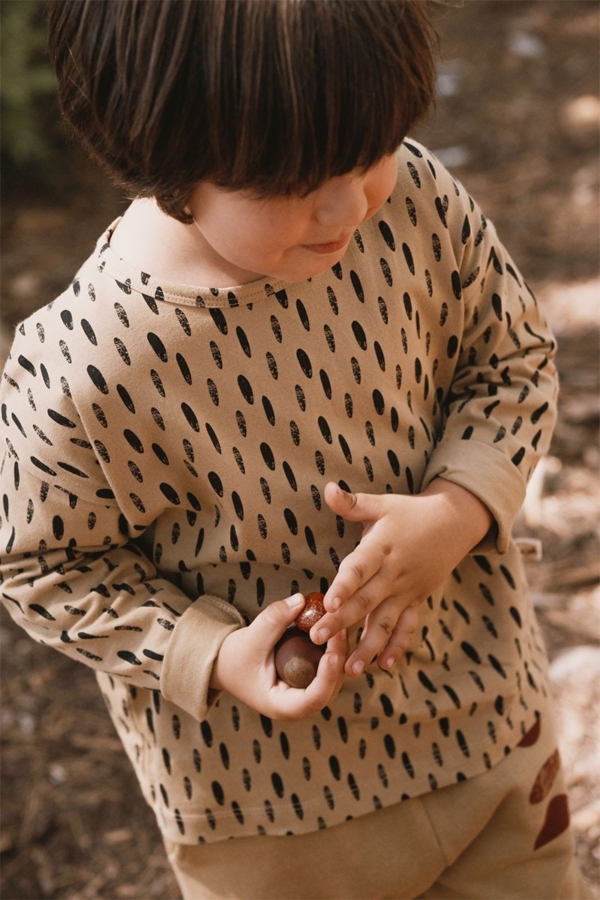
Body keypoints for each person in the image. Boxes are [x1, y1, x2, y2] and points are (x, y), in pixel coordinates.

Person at [0, 1, 591, 898]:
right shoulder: (88, 368)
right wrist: (209, 654)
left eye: (369, 152)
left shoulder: (417, 204)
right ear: (162, 160)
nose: (348, 204)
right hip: (270, 819)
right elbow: (43, 566)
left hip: (484, 732)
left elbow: (507, 360)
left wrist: (457, 512)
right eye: (291, 182)